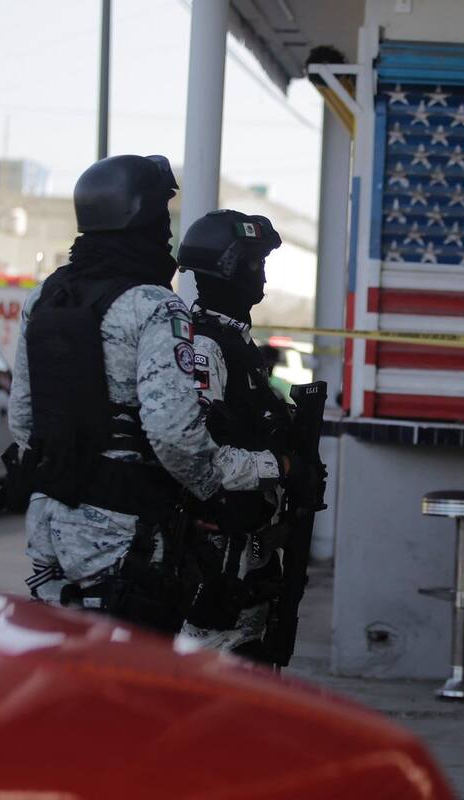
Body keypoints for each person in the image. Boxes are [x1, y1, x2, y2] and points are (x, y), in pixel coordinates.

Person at [2, 156, 281, 632]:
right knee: (127, 670)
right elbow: (174, 436)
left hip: (47, 523)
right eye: (160, 215)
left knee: (61, 657)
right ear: (139, 217)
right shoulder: (154, 305)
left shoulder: (46, 296)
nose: (167, 232)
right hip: (121, 538)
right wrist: (221, 487)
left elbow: (24, 421)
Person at [174, 209, 306, 659]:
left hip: (248, 552)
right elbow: (197, 458)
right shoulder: (203, 346)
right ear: (226, 267)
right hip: (215, 560)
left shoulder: (236, 342)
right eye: (254, 263)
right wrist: (281, 466)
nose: (262, 276)